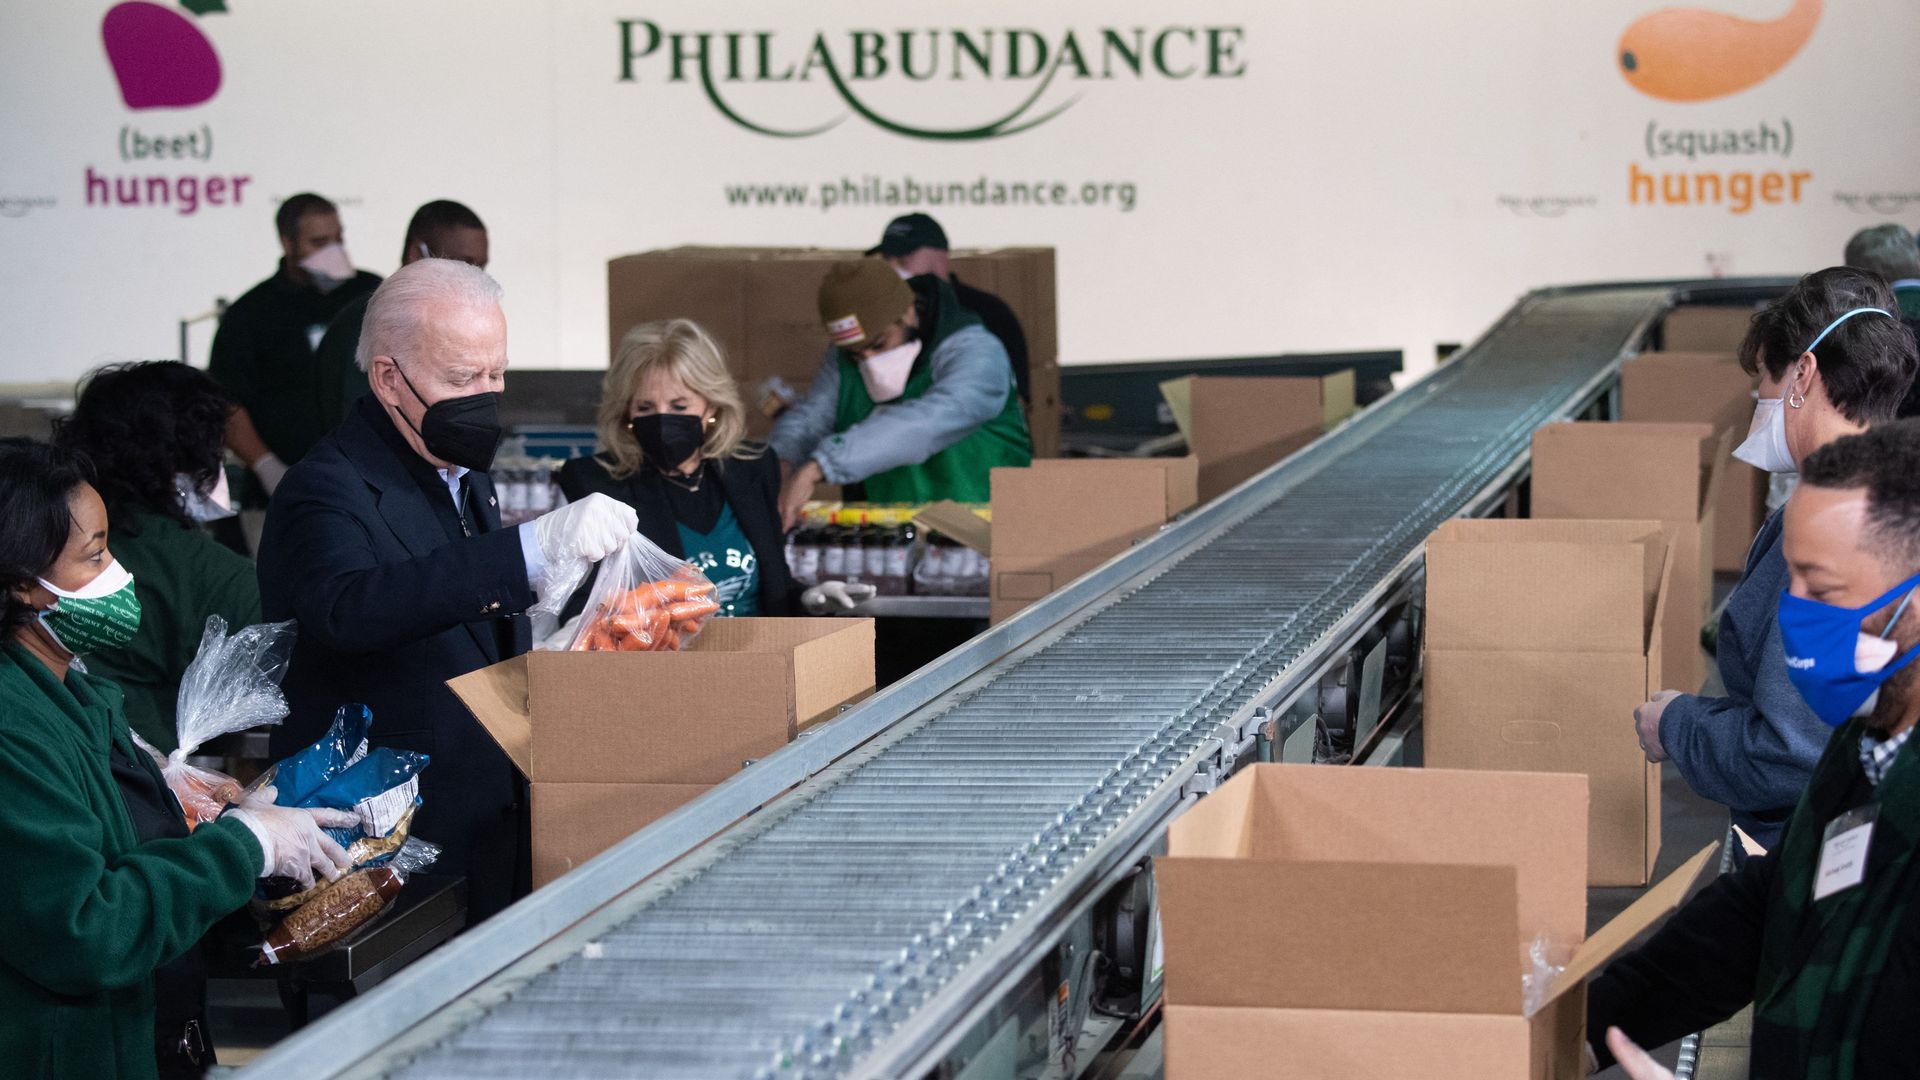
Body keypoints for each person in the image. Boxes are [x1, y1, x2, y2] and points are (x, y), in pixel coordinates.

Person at [256, 259, 636, 920]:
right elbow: (349, 608)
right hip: (387, 845)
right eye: (462, 378)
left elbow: (462, 613)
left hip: (490, 820)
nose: (485, 397)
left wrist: (545, 628)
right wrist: (528, 551)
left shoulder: (458, 470)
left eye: (496, 374)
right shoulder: (326, 487)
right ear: (387, 378)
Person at [0, 438, 351, 1080]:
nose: (120, 573)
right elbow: (87, 930)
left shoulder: (72, 687)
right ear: (26, 584)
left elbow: (105, 834)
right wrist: (244, 847)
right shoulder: (12, 723)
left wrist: (184, 806)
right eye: (95, 554)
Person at [1591, 419, 1920, 1080]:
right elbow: (1778, 900)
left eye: (1821, 590)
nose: (1792, 612)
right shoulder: (1869, 740)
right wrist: (1588, 1026)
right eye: (1789, 580)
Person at [1634, 268, 1918, 851]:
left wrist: (1678, 725)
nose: (1756, 397)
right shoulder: (1881, 492)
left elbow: (1791, 754)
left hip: (1817, 848)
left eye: (1764, 375)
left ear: (1803, 374)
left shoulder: (1837, 529)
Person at [52, 361, 260, 751]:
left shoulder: (39, 538)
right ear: (196, 456)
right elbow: (262, 677)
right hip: (143, 776)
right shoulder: (211, 574)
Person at [557, 319, 802, 617]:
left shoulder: (753, 468)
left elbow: (777, 584)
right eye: (645, 408)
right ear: (626, 412)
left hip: (762, 653)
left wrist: (812, 598)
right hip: (665, 659)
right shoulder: (596, 483)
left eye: (679, 406)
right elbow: (581, 605)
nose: (662, 420)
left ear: (711, 406)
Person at [771, 258, 1032, 527]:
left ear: (908, 312)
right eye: (856, 354)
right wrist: (780, 462)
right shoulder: (844, 360)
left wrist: (820, 466)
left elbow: (926, 425)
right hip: (892, 535)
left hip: (986, 532)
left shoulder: (976, 354)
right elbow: (811, 417)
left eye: (879, 344)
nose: (869, 360)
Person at [208, 192, 381, 494]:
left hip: (372, 481)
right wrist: (267, 467)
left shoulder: (372, 293)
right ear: (288, 243)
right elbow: (226, 402)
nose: (333, 252)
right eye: (319, 242)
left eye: (338, 239)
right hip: (282, 489)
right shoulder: (251, 313)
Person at [313, 199, 490, 436]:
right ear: (417, 254)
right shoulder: (370, 325)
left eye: (481, 266)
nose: (474, 278)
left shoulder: (441, 325)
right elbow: (356, 431)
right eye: (463, 264)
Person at [867, 212, 1032, 404]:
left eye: (903, 257)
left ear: (939, 256)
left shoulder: (990, 312)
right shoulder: (881, 317)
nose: (892, 267)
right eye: (886, 258)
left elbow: (1015, 399)